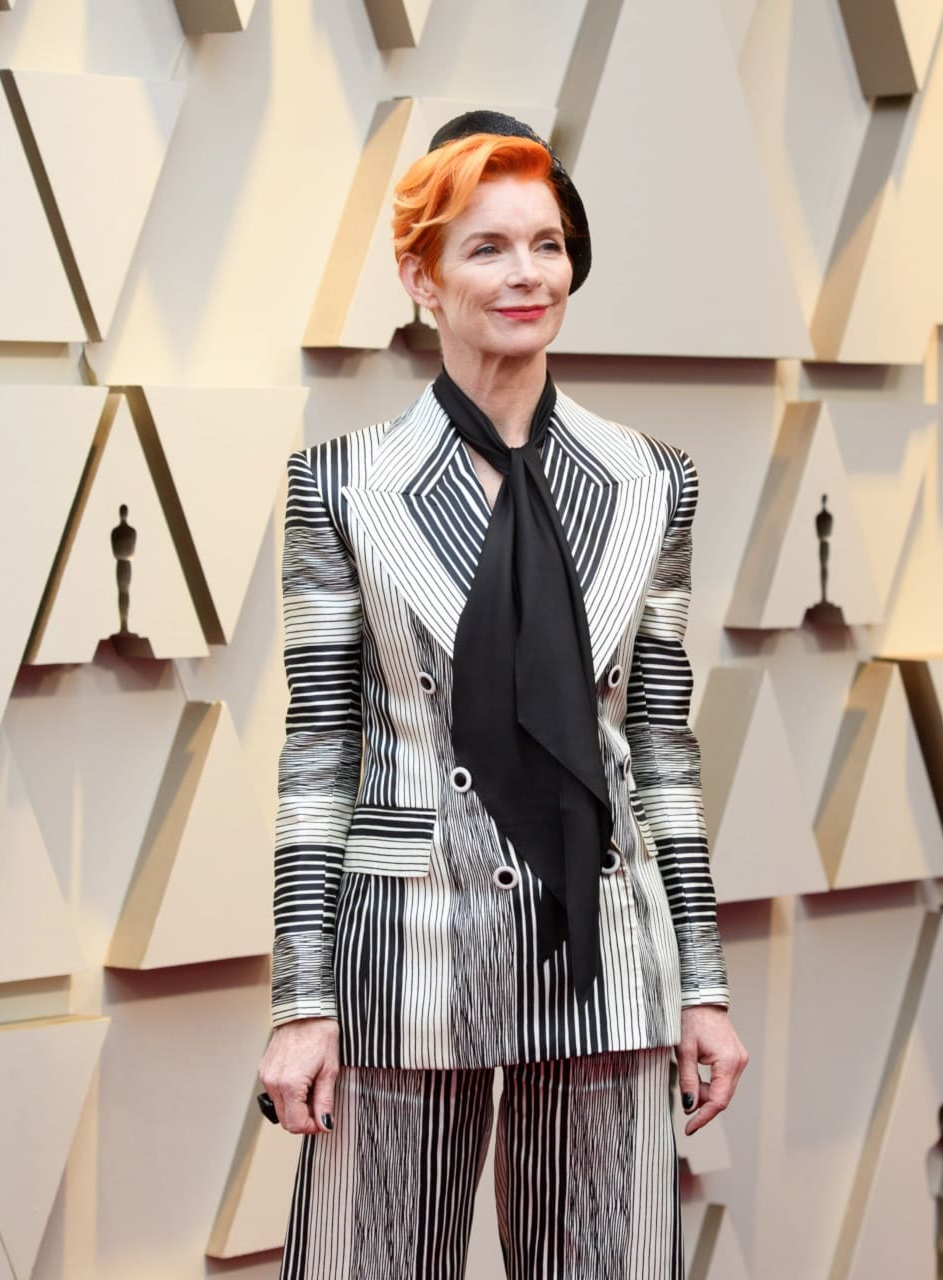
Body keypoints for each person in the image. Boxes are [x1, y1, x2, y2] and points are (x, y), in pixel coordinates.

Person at [258, 110, 748, 1278]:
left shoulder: (649, 482)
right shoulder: (344, 486)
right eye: (487, 246)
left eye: (548, 244)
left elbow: (660, 747)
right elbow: (319, 752)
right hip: (407, 954)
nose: (528, 273)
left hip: (603, 954)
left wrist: (703, 982)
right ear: (420, 275)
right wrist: (300, 995)